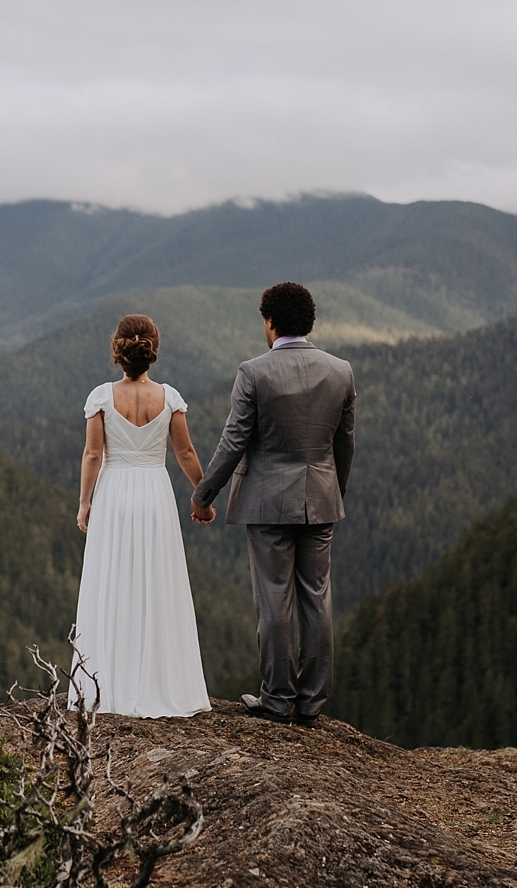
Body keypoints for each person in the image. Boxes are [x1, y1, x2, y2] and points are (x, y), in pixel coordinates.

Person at [191, 282, 356, 727]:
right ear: (310, 322)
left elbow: (234, 441)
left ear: (269, 322)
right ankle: (312, 702)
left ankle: (278, 699)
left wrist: (204, 492)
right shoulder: (341, 371)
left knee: (274, 598)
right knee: (316, 598)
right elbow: (344, 445)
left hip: (266, 504)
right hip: (321, 498)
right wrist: (332, 490)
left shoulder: (254, 373)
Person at [68, 314, 213, 717]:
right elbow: (185, 453)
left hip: (113, 494)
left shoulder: (100, 397)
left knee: (112, 582)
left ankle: (107, 687)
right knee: (156, 583)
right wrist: (203, 494)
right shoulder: (169, 398)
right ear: (152, 351)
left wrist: (84, 502)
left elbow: (93, 454)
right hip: (155, 494)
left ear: (119, 351)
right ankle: (161, 684)